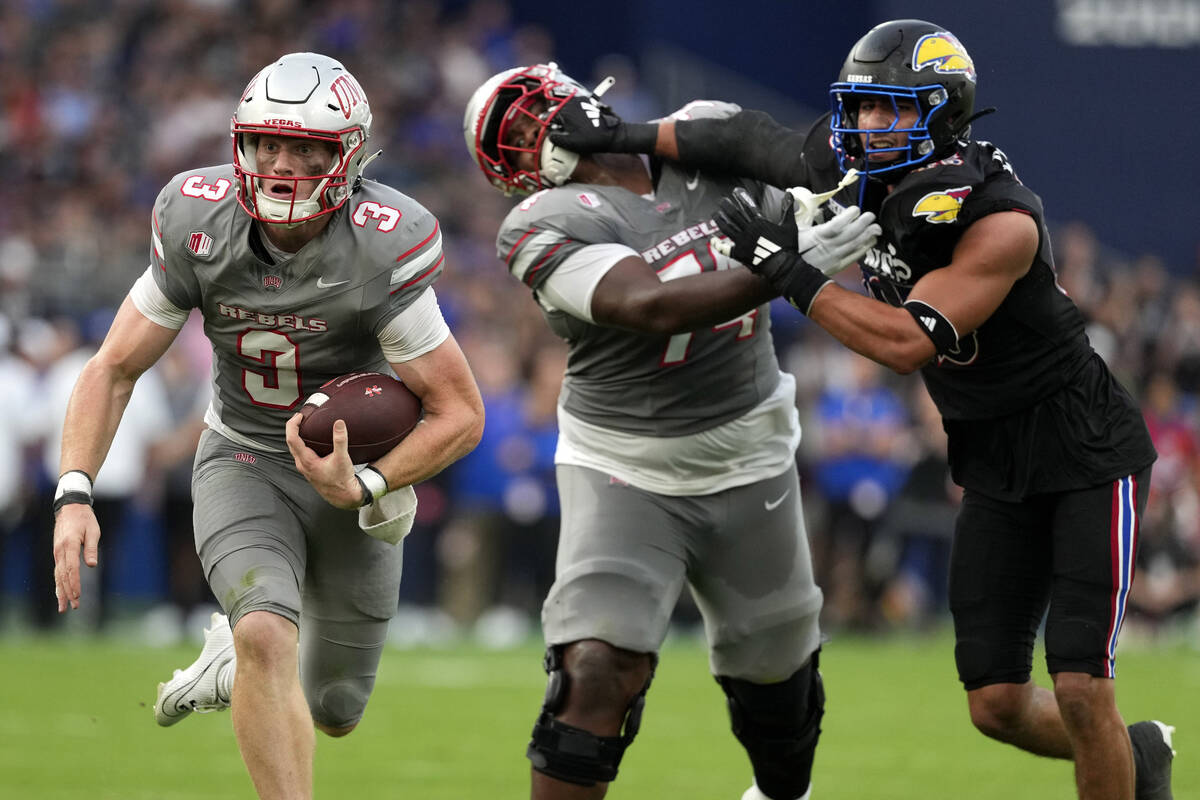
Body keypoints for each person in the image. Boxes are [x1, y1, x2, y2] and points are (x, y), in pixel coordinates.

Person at [546, 18, 1175, 800]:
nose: (867, 127)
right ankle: (1137, 757)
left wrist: (791, 272)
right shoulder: (856, 164)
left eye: (890, 110)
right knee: (997, 705)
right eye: (862, 107)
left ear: (944, 114)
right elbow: (743, 136)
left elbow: (908, 342)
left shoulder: (999, 217)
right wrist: (629, 133)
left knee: (1082, 688)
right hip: (992, 459)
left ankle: (1116, 753)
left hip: (1084, 452)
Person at [50, 53, 484, 800]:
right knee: (264, 632)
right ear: (241, 144)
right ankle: (246, 653)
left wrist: (369, 481)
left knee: (336, 710)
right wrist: (74, 490)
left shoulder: (382, 242)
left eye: (308, 147)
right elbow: (114, 367)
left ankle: (233, 665)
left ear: (346, 155)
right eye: (269, 143)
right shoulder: (198, 220)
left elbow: (461, 412)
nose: (283, 163)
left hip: (349, 479)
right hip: (245, 456)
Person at [462, 62, 878, 800]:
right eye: (515, 139)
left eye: (535, 115)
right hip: (626, 465)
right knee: (593, 670)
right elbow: (652, 306)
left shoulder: (700, 133)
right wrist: (794, 267)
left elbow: (802, 154)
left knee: (779, 689)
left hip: (750, 449)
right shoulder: (540, 224)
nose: (539, 136)